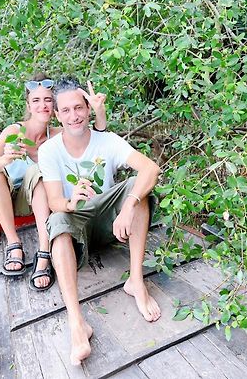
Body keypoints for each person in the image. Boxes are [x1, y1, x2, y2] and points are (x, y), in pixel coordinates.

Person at [38, 76, 162, 365]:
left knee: (137, 188)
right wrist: (71, 201)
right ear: (57, 114)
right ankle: (77, 324)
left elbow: (151, 169)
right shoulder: (49, 150)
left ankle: (135, 281)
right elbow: (54, 201)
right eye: (66, 111)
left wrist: (130, 205)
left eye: (79, 108)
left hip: (109, 223)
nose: (74, 116)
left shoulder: (108, 141)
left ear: (88, 109)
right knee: (56, 221)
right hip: (76, 225)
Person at [0, 73, 106, 291]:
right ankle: (14, 244)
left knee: (40, 172)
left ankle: (44, 252)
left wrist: (98, 112)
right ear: (29, 105)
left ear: (55, 107)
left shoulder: (57, 135)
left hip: (31, 201)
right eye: (36, 100)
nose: (43, 105)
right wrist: (4, 159)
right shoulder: (14, 132)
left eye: (48, 100)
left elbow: (95, 139)